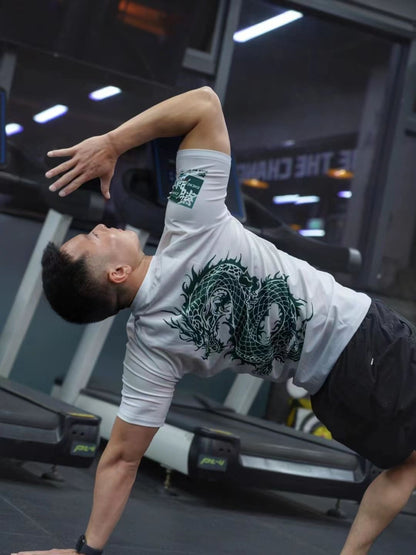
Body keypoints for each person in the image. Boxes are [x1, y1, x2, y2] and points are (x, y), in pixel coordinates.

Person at [12, 87, 416, 555]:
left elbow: (121, 459)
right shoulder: (190, 221)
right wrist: (113, 143)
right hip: (367, 340)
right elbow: (204, 102)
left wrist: (87, 551)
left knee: (405, 465)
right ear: (117, 273)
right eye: (92, 240)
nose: (100, 227)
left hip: (329, 392)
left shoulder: (149, 349)